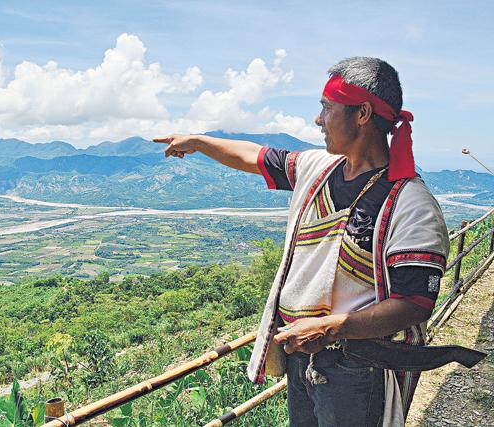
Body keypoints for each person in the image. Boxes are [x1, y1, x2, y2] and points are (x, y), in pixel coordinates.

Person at [154, 57, 449, 426]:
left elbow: (413, 305)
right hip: (302, 354)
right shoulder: (318, 169)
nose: (317, 119)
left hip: (358, 366)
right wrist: (199, 141)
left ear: (362, 113)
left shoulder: (410, 203)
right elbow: (254, 156)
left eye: (326, 108)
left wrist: (331, 328)